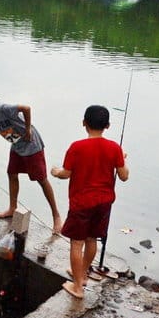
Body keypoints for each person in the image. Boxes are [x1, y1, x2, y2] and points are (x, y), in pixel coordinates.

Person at [51, 105, 129, 299]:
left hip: (82, 203)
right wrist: (123, 159)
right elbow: (124, 176)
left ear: (84, 123)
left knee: (76, 243)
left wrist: (55, 172)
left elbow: (66, 174)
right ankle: (82, 274)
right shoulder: (115, 148)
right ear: (107, 126)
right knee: (92, 239)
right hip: (104, 203)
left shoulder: (76, 147)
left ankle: (78, 287)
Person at [0, 87, 63, 233]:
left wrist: (28, 129)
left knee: (42, 180)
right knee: (12, 174)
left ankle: (56, 216)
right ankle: (12, 208)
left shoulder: (4, 108)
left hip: (32, 146)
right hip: (17, 146)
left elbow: (26, 108)